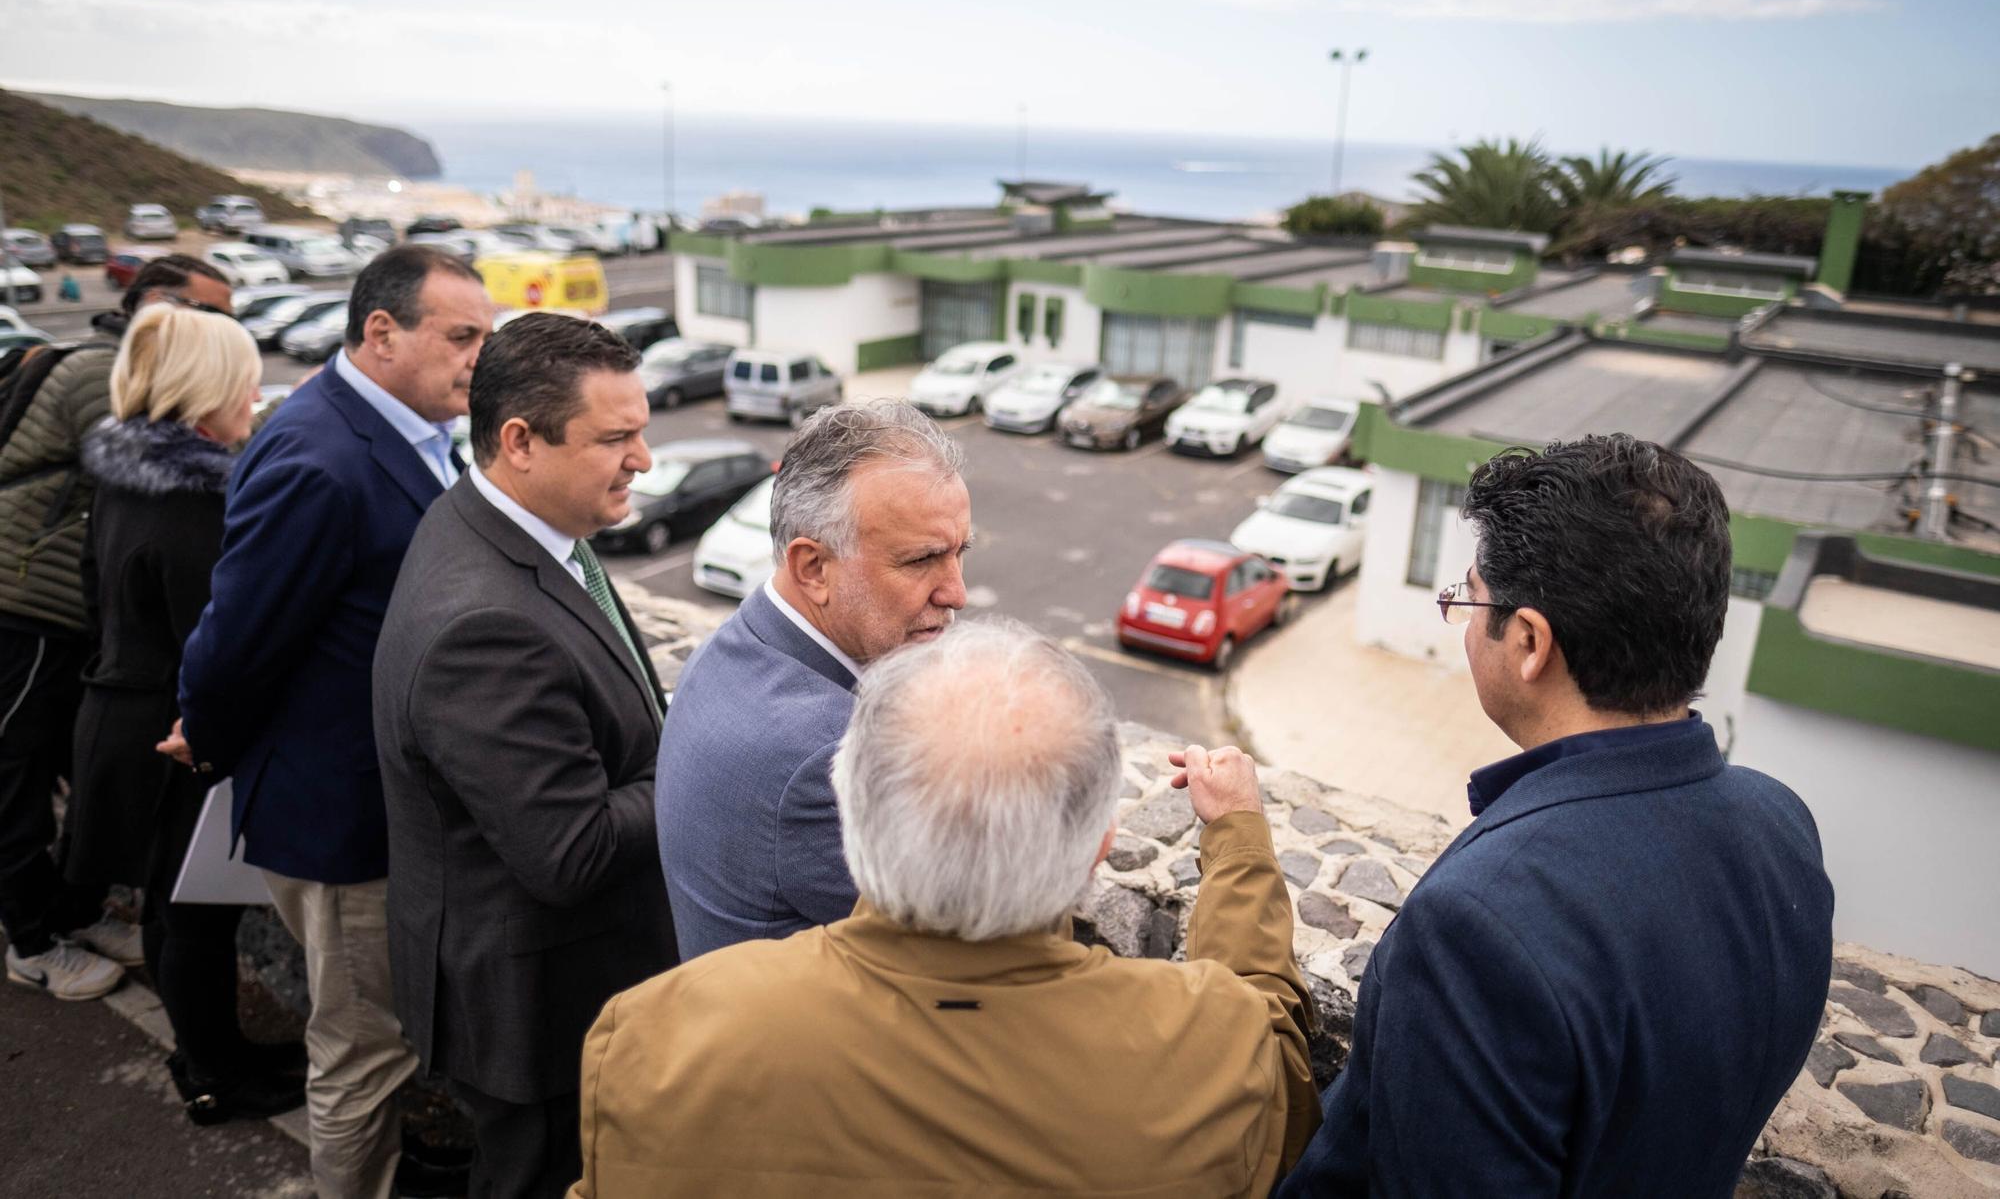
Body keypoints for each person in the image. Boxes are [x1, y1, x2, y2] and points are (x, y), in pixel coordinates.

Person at [572, 618, 1321, 1197]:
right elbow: (1274, 1048)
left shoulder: (658, 1039)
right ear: (1100, 848)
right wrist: (1235, 836)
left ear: (850, 805)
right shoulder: (1206, 1053)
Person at [1278, 435, 1835, 1198]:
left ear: (1531, 642)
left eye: (1469, 599)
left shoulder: (1478, 926)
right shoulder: (1781, 825)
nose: (1464, 621)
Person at [177, 245, 493, 1199]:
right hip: (342, 819)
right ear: (382, 332)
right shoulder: (320, 456)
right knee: (361, 1054)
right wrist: (206, 729)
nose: (480, 357)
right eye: (461, 336)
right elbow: (237, 634)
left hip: (377, 800)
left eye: (485, 335)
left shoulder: (397, 429)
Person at [375, 313, 676, 1199]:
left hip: (544, 978)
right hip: (536, 1010)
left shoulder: (511, 523)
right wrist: (691, 758)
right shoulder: (484, 623)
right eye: (616, 437)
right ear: (520, 442)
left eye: (643, 429)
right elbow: (570, 850)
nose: (645, 459)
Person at [65, 305, 305, 1122]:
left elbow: (98, 597)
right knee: (197, 917)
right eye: (244, 374)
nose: (254, 390)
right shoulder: (198, 499)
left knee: (174, 911)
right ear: (208, 386)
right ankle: (215, 1075)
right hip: (173, 729)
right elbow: (220, 637)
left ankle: (203, 1053)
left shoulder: (124, 474)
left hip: (121, 714)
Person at [657, 398, 970, 959]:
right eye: (922, 560)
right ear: (813, 568)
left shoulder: (742, 643)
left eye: (958, 553)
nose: (956, 592)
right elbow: (963, 952)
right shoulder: (825, 755)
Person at [0, 253, 231, 1001]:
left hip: (60, 607)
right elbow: (157, 477)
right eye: (213, 316)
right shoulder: (106, 375)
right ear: (161, 309)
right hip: (24, 604)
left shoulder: (105, 363)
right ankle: (32, 941)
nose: (226, 331)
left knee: (62, 766)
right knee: (17, 775)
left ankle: (73, 909)